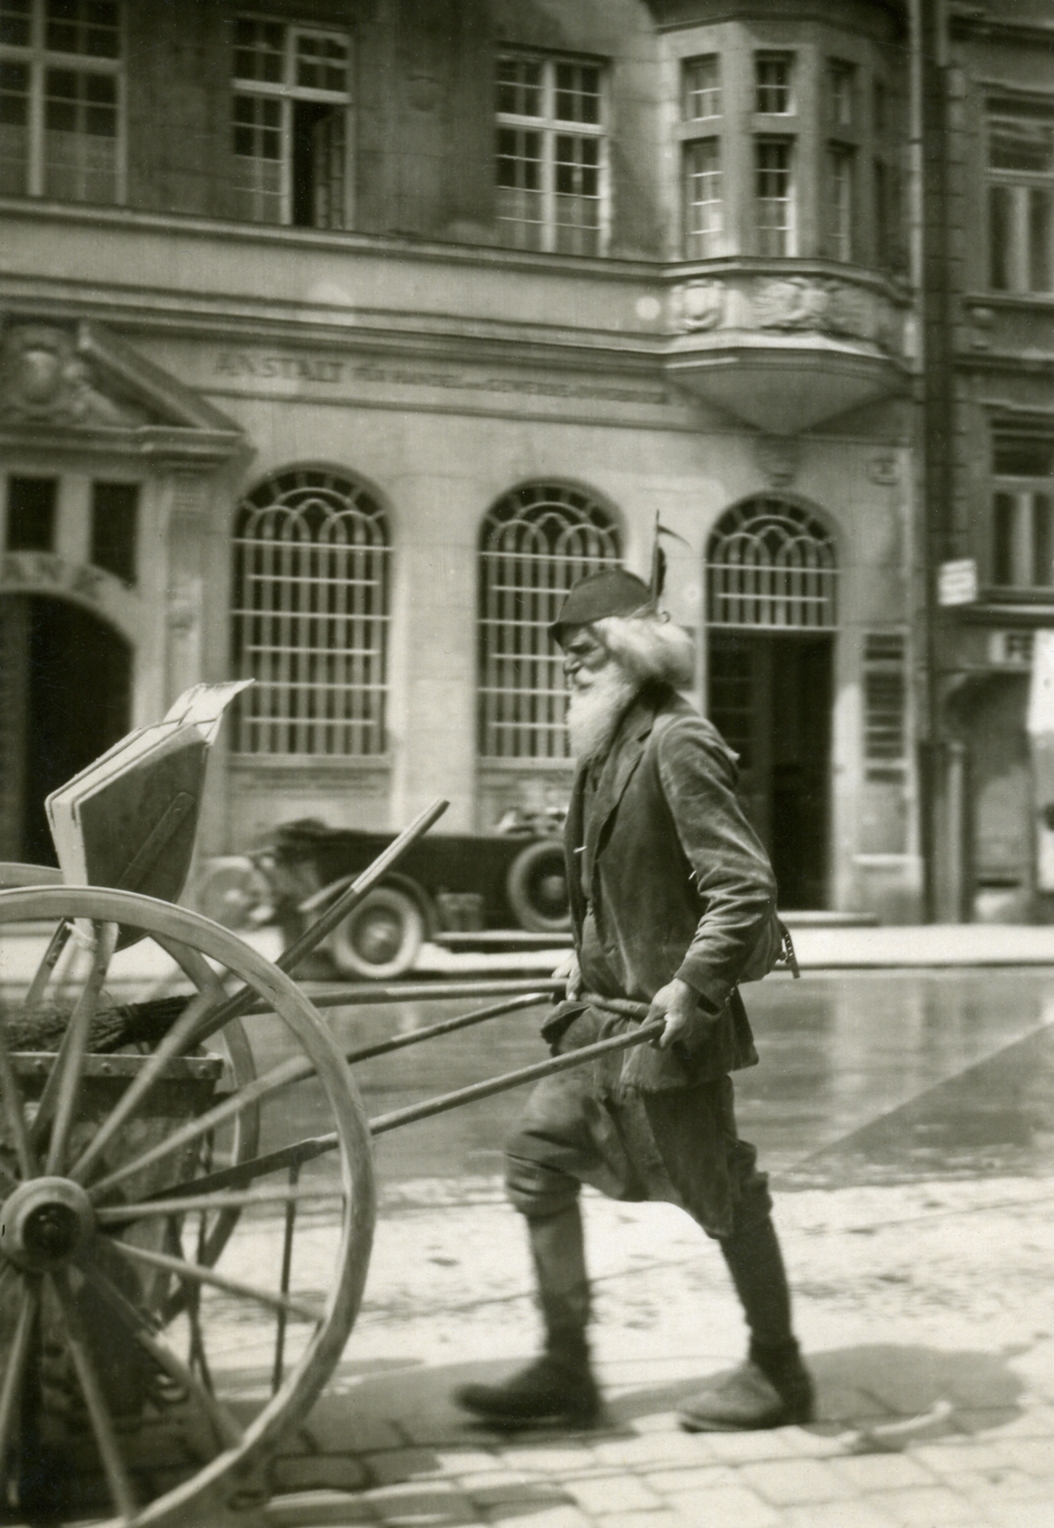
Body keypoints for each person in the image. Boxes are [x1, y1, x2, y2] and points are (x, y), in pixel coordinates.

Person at [454, 568, 813, 1433]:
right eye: (565, 660)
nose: (567, 673)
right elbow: (604, 886)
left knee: (721, 1193)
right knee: (536, 1158)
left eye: (580, 656)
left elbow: (743, 889)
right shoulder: (606, 744)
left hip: (664, 1032)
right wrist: (579, 957)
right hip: (601, 1024)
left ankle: (779, 1372)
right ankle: (567, 1369)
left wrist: (692, 986)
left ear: (624, 652)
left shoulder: (678, 740)